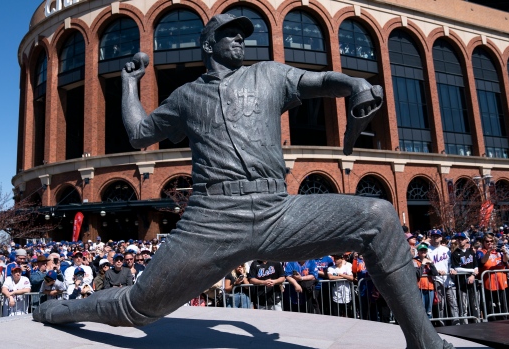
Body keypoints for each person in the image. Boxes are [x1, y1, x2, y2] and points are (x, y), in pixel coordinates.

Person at [34, 14, 453, 349]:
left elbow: (318, 81)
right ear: (208, 44)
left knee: (379, 216)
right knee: (138, 306)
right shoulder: (185, 96)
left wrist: (353, 83)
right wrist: (128, 83)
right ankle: (61, 311)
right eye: (229, 34)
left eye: (242, 35)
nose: (239, 40)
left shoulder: (268, 74)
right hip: (211, 219)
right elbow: (140, 132)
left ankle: (424, 342)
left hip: (276, 210)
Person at [427, 229, 460, 326]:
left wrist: (451, 269)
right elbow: (428, 265)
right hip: (437, 280)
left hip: (448, 279)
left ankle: (457, 323)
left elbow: (450, 263)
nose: (435, 237)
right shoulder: (428, 250)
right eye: (433, 236)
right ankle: (442, 325)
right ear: (431, 237)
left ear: (441, 237)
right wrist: (437, 271)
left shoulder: (446, 250)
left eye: (437, 236)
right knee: (441, 305)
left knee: (453, 303)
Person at [476, 234, 509, 321]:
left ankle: (504, 320)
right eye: (487, 241)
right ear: (484, 243)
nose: (489, 243)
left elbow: (506, 261)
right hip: (488, 283)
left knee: (503, 305)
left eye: (491, 241)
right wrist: (488, 252)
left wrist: (505, 252)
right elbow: (483, 261)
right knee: (490, 306)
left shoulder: (499, 251)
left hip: (501, 282)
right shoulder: (480, 252)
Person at [450, 232, 479, 323]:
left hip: (473, 282)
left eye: (462, 239)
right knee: (463, 306)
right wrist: (472, 272)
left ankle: (477, 322)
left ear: (466, 240)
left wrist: (473, 275)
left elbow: (476, 266)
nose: (460, 241)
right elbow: (457, 268)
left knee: (475, 305)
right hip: (461, 283)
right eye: (458, 239)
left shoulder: (471, 251)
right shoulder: (455, 253)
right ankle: (465, 324)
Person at [413, 243, 438, 319]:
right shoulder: (414, 261)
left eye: (425, 251)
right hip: (419, 288)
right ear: (418, 252)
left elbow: (435, 273)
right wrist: (423, 264)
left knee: (429, 310)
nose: (423, 252)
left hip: (429, 287)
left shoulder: (428, 261)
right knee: (421, 309)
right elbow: (418, 274)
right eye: (421, 251)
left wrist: (431, 264)